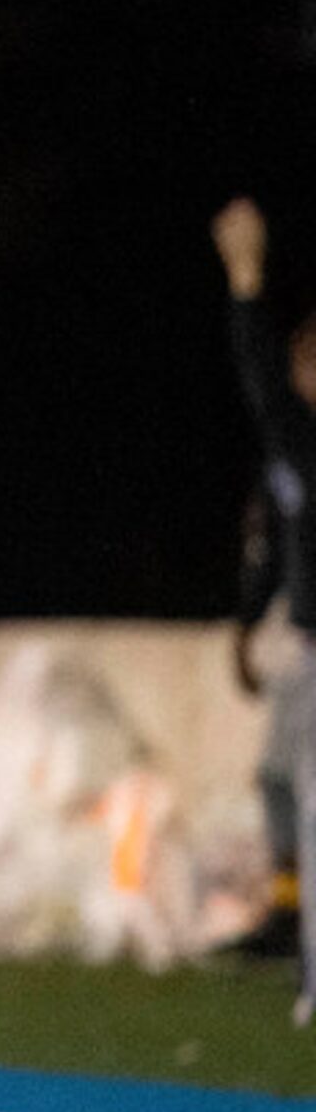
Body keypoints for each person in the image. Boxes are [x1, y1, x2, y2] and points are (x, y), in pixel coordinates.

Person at [211, 194, 316, 1021]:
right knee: (280, 780)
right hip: (303, 640)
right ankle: (289, 916)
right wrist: (249, 622)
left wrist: (246, 279)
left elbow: (263, 388)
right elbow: (271, 546)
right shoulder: (290, 456)